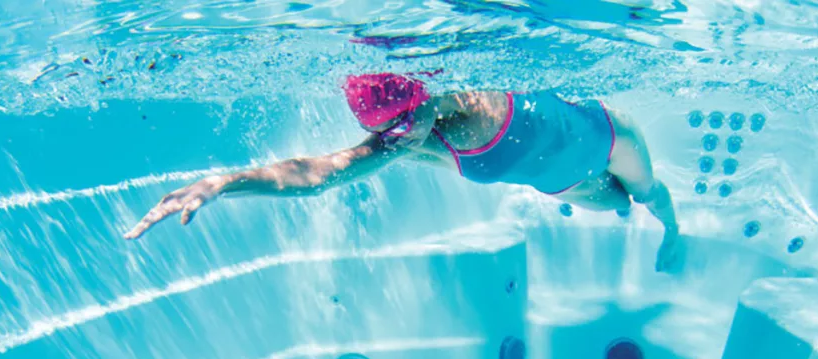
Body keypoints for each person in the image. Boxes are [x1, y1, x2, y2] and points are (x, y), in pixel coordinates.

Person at [125, 73, 681, 271]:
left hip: (610, 134)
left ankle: (674, 234)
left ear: (422, 97)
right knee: (617, 207)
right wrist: (225, 182)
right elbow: (318, 173)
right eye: (387, 132)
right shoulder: (413, 145)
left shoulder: (477, 84)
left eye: (403, 122)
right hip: (563, 182)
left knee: (650, 196)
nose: (399, 138)